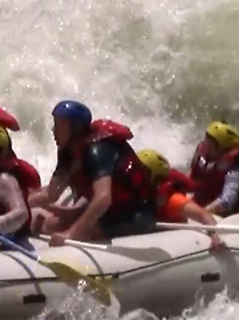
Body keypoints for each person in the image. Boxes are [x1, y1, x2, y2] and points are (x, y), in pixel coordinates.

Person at [28, 100, 156, 245]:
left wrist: (72, 233)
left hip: (134, 215)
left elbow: (103, 198)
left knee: (76, 230)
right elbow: (50, 194)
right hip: (108, 213)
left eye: (58, 125)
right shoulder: (67, 153)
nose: (53, 130)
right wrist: (23, 203)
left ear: (76, 129)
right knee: (50, 225)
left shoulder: (97, 151)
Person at [136, 149, 224, 251]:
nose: (135, 176)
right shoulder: (136, 192)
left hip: (172, 239)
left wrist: (214, 235)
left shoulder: (173, 200)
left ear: (156, 178)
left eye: (141, 173)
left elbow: (203, 215)